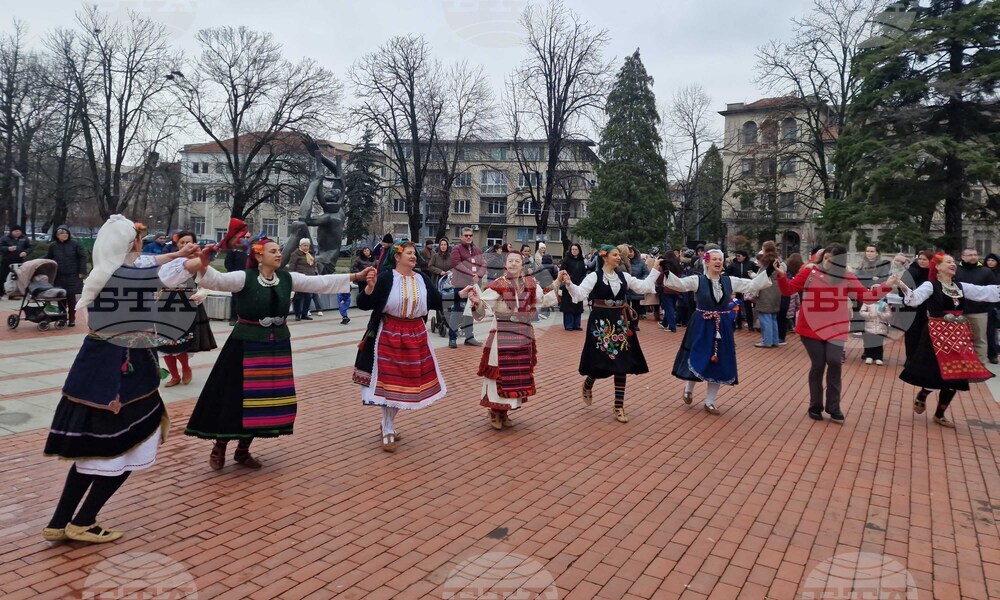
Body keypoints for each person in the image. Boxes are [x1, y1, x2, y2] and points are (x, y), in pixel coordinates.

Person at [42, 215, 197, 544]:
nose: (141, 246)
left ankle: (59, 521)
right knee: (132, 445)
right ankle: (84, 520)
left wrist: (174, 256)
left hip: (92, 370)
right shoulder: (130, 276)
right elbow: (161, 272)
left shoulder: (106, 269)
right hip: (124, 375)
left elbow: (150, 263)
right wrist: (195, 260)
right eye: (136, 241)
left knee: (89, 453)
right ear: (130, 246)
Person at [181, 238, 373, 470]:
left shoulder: (287, 278)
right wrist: (201, 262)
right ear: (259, 256)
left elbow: (319, 283)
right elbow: (217, 280)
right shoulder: (245, 277)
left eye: (279, 250)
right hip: (245, 345)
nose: (278, 254)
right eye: (273, 251)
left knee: (264, 401)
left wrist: (356, 276)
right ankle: (220, 446)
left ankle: (243, 450)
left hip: (276, 345)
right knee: (234, 396)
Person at [774, 244, 899, 423]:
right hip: (810, 328)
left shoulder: (847, 277)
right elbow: (788, 289)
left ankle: (833, 407)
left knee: (834, 361)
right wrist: (781, 276)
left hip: (835, 328)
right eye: (825, 258)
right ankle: (815, 405)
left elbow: (867, 297)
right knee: (818, 364)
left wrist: (886, 285)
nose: (827, 262)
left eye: (832, 260)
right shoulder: (810, 273)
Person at [354, 242, 461, 451]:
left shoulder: (421, 278)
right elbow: (365, 303)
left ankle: (388, 423)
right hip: (388, 334)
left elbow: (438, 301)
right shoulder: (386, 277)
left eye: (415, 253)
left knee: (406, 383)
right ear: (397, 256)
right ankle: (388, 427)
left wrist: (461, 294)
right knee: (389, 383)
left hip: (415, 336)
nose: (414, 256)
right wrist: (368, 288)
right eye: (410, 253)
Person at [558, 245, 661, 423]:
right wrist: (569, 283)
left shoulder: (623, 276)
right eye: (615, 255)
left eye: (619, 255)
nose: (619, 258)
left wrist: (654, 270)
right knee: (600, 362)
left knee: (622, 363)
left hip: (620, 321)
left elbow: (643, 287)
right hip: (600, 323)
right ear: (605, 257)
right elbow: (581, 294)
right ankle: (589, 382)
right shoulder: (594, 276)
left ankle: (618, 406)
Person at [664, 249, 773, 414]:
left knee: (718, 360)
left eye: (720, 259)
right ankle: (689, 388)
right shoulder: (698, 280)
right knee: (697, 356)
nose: (718, 262)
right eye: (714, 259)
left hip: (721, 324)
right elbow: (679, 285)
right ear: (706, 262)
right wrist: (666, 270)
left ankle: (710, 402)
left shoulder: (729, 281)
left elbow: (751, 285)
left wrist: (770, 270)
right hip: (701, 322)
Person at [898, 252, 998, 427]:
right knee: (935, 373)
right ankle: (923, 394)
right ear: (937, 267)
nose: (953, 265)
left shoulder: (960, 286)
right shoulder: (931, 285)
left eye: (954, 262)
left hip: (958, 335)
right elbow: (914, 299)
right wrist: (902, 285)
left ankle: (940, 413)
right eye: (948, 262)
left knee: (957, 374)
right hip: (935, 335)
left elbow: (985, 292)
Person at [465, 251, 558, 429]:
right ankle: (494, 411)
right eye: (510, 261)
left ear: (522, 265)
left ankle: (505, 411)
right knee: (498, 372)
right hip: (502, 331)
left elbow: (542, 300)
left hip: (522, 333)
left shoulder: (530, 283)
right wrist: (476, 301)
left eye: (517, 261)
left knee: (516, 374)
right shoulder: (498, 284)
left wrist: (559, 283)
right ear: (505, 265)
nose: (514, 264)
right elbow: (484, 305)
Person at [157, 231, 218, 387]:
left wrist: (201, 294)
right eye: (181, 243)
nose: (185, 245)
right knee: (164, 343)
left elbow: (207, 283)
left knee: (180, 343)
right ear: (177, 244)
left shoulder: (199, 262)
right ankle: (174, 376)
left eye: (188, 242)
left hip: (187, 305)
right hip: (166, 305)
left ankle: (185, 368)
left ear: (195, 244)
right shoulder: (169, 262)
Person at [954, 248, 998, 363]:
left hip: (979, 311)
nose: (973, 257)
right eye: (969, 255)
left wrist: (988, 307)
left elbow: (993, 291)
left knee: (980, 339)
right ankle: (962, 363)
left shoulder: (985, 272)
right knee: (959, 339)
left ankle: (980, 364)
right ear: (962, 257)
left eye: (975, 255)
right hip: (958, 311)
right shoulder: (955, 270)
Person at [856, 244, 892, 365]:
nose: (869, 253)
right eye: (867, 251)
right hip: (864, 296)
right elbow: (858, 278)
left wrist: (871, 280)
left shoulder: (883, 265)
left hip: (878, 297)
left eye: (872, 251)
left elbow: (884, 280)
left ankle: (877, 353)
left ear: (877, 253)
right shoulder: (862, 264)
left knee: (878, 326)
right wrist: (872, 277)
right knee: (866, 325)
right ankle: (867, 351)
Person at [45, 225, 87, 327]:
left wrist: (82, 271)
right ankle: (62, 318)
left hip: (73, 274)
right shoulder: (53, 246)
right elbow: (48, 257)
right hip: (59, 275)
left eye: (66, 233)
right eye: (61, 234)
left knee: (71, 297)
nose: (64, 235)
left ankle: (72, 318)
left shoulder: (75, 244)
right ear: (57, 235)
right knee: (60, 297)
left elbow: (83, 257)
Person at [449, 227, 484, 348]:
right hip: (461, 286)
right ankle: (452, 338)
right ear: (461, 237)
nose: (468, 237)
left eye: (470, 235)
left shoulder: (477, 250)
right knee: (457, 311)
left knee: (470, 312)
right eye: (466, 235)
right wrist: (472, 274)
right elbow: (457, 264)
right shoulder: (456, 249)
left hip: (474, 287)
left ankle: (469, 338)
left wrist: (478, 275)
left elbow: (483, 264)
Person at [900, 251, 933, 364]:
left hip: (927, 308)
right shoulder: (912, 271)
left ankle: (921, 359)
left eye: (925, 259)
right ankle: (910, 359)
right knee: (912, 334)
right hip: (912, 308)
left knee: (924, 334)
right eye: (920, 259)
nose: (921, 261)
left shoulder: (933, 273)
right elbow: (902, 287)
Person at [221, 219, 251, 326]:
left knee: (246, 299)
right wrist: (232, 273)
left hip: (248, 278)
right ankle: (233, 318)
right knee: (235, 298)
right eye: (244, 237)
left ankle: (244, 318)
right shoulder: (233, 249)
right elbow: (227, 263)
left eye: (248, 237)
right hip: (235, 277)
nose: (246, 239)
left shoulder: (250, 250)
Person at [753, 242, 782, 348]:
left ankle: (767, 340)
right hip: (777, 289)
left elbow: (762, 277)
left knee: (765, 316)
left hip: (767, 289)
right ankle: (774, 340)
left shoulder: (766, 261)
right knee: (773, 317)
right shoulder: (778, 260)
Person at [286, 238, 319, 321]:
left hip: (309, 279)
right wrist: (292, 277)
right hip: (299, 279)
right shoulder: (295, 254)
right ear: (300, 245)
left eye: (308, 245)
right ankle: (297, 314)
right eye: (304, 245)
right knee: (298, 297)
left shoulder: (311, 254)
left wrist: (315, 272)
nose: (306, 247)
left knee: (308, 297)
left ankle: (304, 314)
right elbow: (292, 266)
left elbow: (314, 264)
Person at [725, 250, 758, 331]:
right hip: (737, 287)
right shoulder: (733, 265)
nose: (737, 257)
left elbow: (757, 273)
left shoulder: (751, 264)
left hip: (747, 287)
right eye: (736, 256)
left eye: (739, 256)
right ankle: (738, 323)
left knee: (748, 306)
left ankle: (750, 325)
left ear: (744, 256)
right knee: (737, 306)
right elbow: (727, 274)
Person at [347, 246, 378, 325]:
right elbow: (354, 268)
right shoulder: (359, 260)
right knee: (362, 292)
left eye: (368, 250)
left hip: (371, 279)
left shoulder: (373, 260)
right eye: (365, 251)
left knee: (372, 291)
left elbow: (377, 268)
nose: (367, 252)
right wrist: (361, 274)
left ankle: (370, 303)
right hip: (362, 279)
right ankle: (362, 303)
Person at [559, 243, 587, 331]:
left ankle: (577, 324)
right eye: (573, 249)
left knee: (578, 305)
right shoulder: (566, 260)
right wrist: (568, 279)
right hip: (568, 286)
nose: (574, 251)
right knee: (568, 306)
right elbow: (562, 271)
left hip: (579, 285)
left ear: (579, 251)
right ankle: (569, 325)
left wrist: (582, 281)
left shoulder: (581, 261)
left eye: (576, 249)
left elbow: (583, 272)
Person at [625, 245, 650, 332]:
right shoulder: (623, 262)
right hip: (626, 288)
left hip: (636, 287)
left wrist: (641, 281)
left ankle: (635, 324)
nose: (630, 253)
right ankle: (627, 322)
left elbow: (646, 272)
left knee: (636, 307)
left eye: (631, 251)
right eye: (628, 251)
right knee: (626, 306)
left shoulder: (641, 262)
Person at [1, 224, 30, 297]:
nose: (18, 233)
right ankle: (1, 291)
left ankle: (15, 292)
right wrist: (7, 249)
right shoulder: (5, 238)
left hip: (19, 261)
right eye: (16, 231)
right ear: (12, 232)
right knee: (3, 276)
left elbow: (30, 247)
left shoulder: (24, 238)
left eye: (19, 231)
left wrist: (25, 252)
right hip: (7, 261)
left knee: (17, 277)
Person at [658, 250, 682, 333]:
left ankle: (672, 326)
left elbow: (660, 275)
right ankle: (664, 323)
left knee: (668, 308)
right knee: (672, 306)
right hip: (676, 287)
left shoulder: (665, 264)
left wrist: (658, 283)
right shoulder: (678, 264)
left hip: (666, 288)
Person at [986, 253, 1000, 364]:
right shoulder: (983, 272)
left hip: (996, 305)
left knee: (992, 331)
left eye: (993, 260)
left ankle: (993, 353)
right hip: (984, 304)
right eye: (989, 260)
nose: (990, 262)